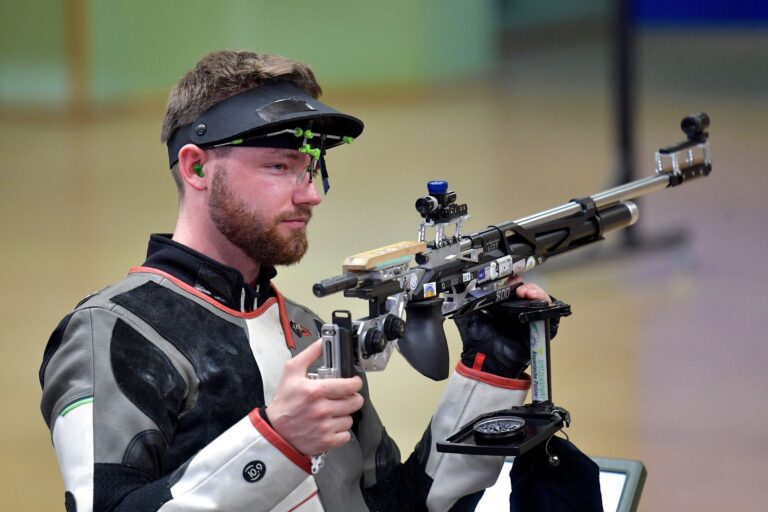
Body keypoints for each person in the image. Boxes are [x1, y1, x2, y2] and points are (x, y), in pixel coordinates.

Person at [39, 50, 552, 512]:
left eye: (312, 169)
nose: (311, 195)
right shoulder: (112, 332)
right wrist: (276, 440)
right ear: (196, 169)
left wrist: (489, 373)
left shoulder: (306, 333)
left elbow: (402, 504)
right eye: (280, 165)